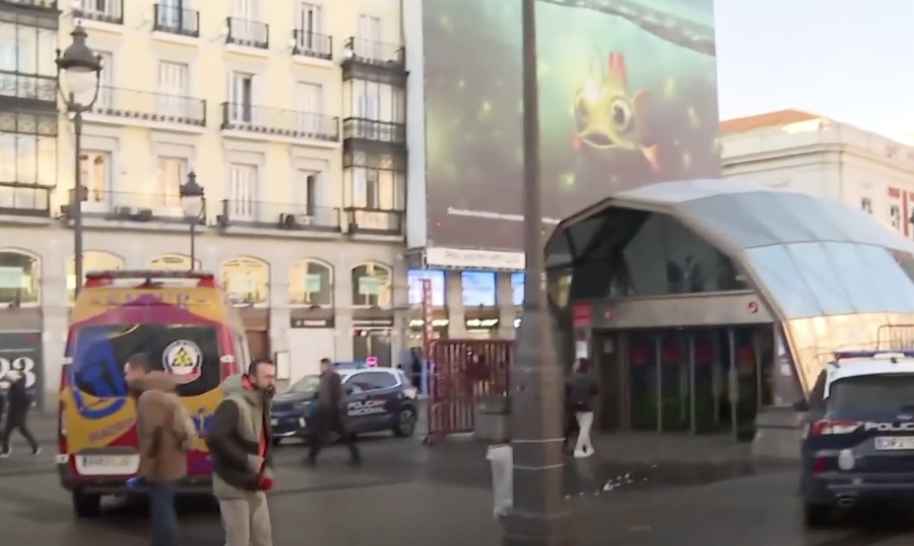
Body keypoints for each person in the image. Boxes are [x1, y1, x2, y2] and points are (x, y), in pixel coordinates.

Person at [124, 353, 197, 546]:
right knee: (163, 505)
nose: (125, 378)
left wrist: (145, 469)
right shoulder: (165, 390)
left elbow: (151, 436)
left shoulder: (149, 398)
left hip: (161, 463)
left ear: (138, 372)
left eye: (128, 373)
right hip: (172, 459)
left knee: (162, 509)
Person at [206, 359, 277, 546]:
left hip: (254, 482)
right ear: (252, 377)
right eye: (267, 376)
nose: (272, 382)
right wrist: (246, 460)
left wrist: (266, 467)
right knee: (239, 541)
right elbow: (215, 437)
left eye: (273, 376)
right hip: (233, 484)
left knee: (262, 539)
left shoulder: (260, 402)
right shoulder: (233, 404)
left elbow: (263, 440)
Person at [304, 358, 361, 466]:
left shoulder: (333, 377)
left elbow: (335, 393)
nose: (321, 368)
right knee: (335, 432)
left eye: (323, 366)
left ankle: (312, 456)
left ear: (328, 366)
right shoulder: (323, 377)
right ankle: (354, 452)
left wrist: (332, 406)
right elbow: (323, 392)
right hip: (324, 408)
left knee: (322, 432)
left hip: (330, 409)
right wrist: (317, 396)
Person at [0, 370, 39, 457]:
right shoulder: (14, 387)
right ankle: (5, 450)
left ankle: (35, 447)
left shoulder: (19, 388)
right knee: (6, 433)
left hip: (18, 415)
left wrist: (22, 412)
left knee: (21, 431)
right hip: (13, 414)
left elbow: (26, 401)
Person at [566, 358, 598, 458]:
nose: (573, 365)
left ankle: (589, 448)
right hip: (587, 406)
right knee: (585, 428)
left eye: (575, 363)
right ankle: (579, 449)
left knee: (583, 428)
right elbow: (595, 389)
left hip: (575, 406)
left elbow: (567, 390)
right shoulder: (590, 378)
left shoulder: (570, 378)